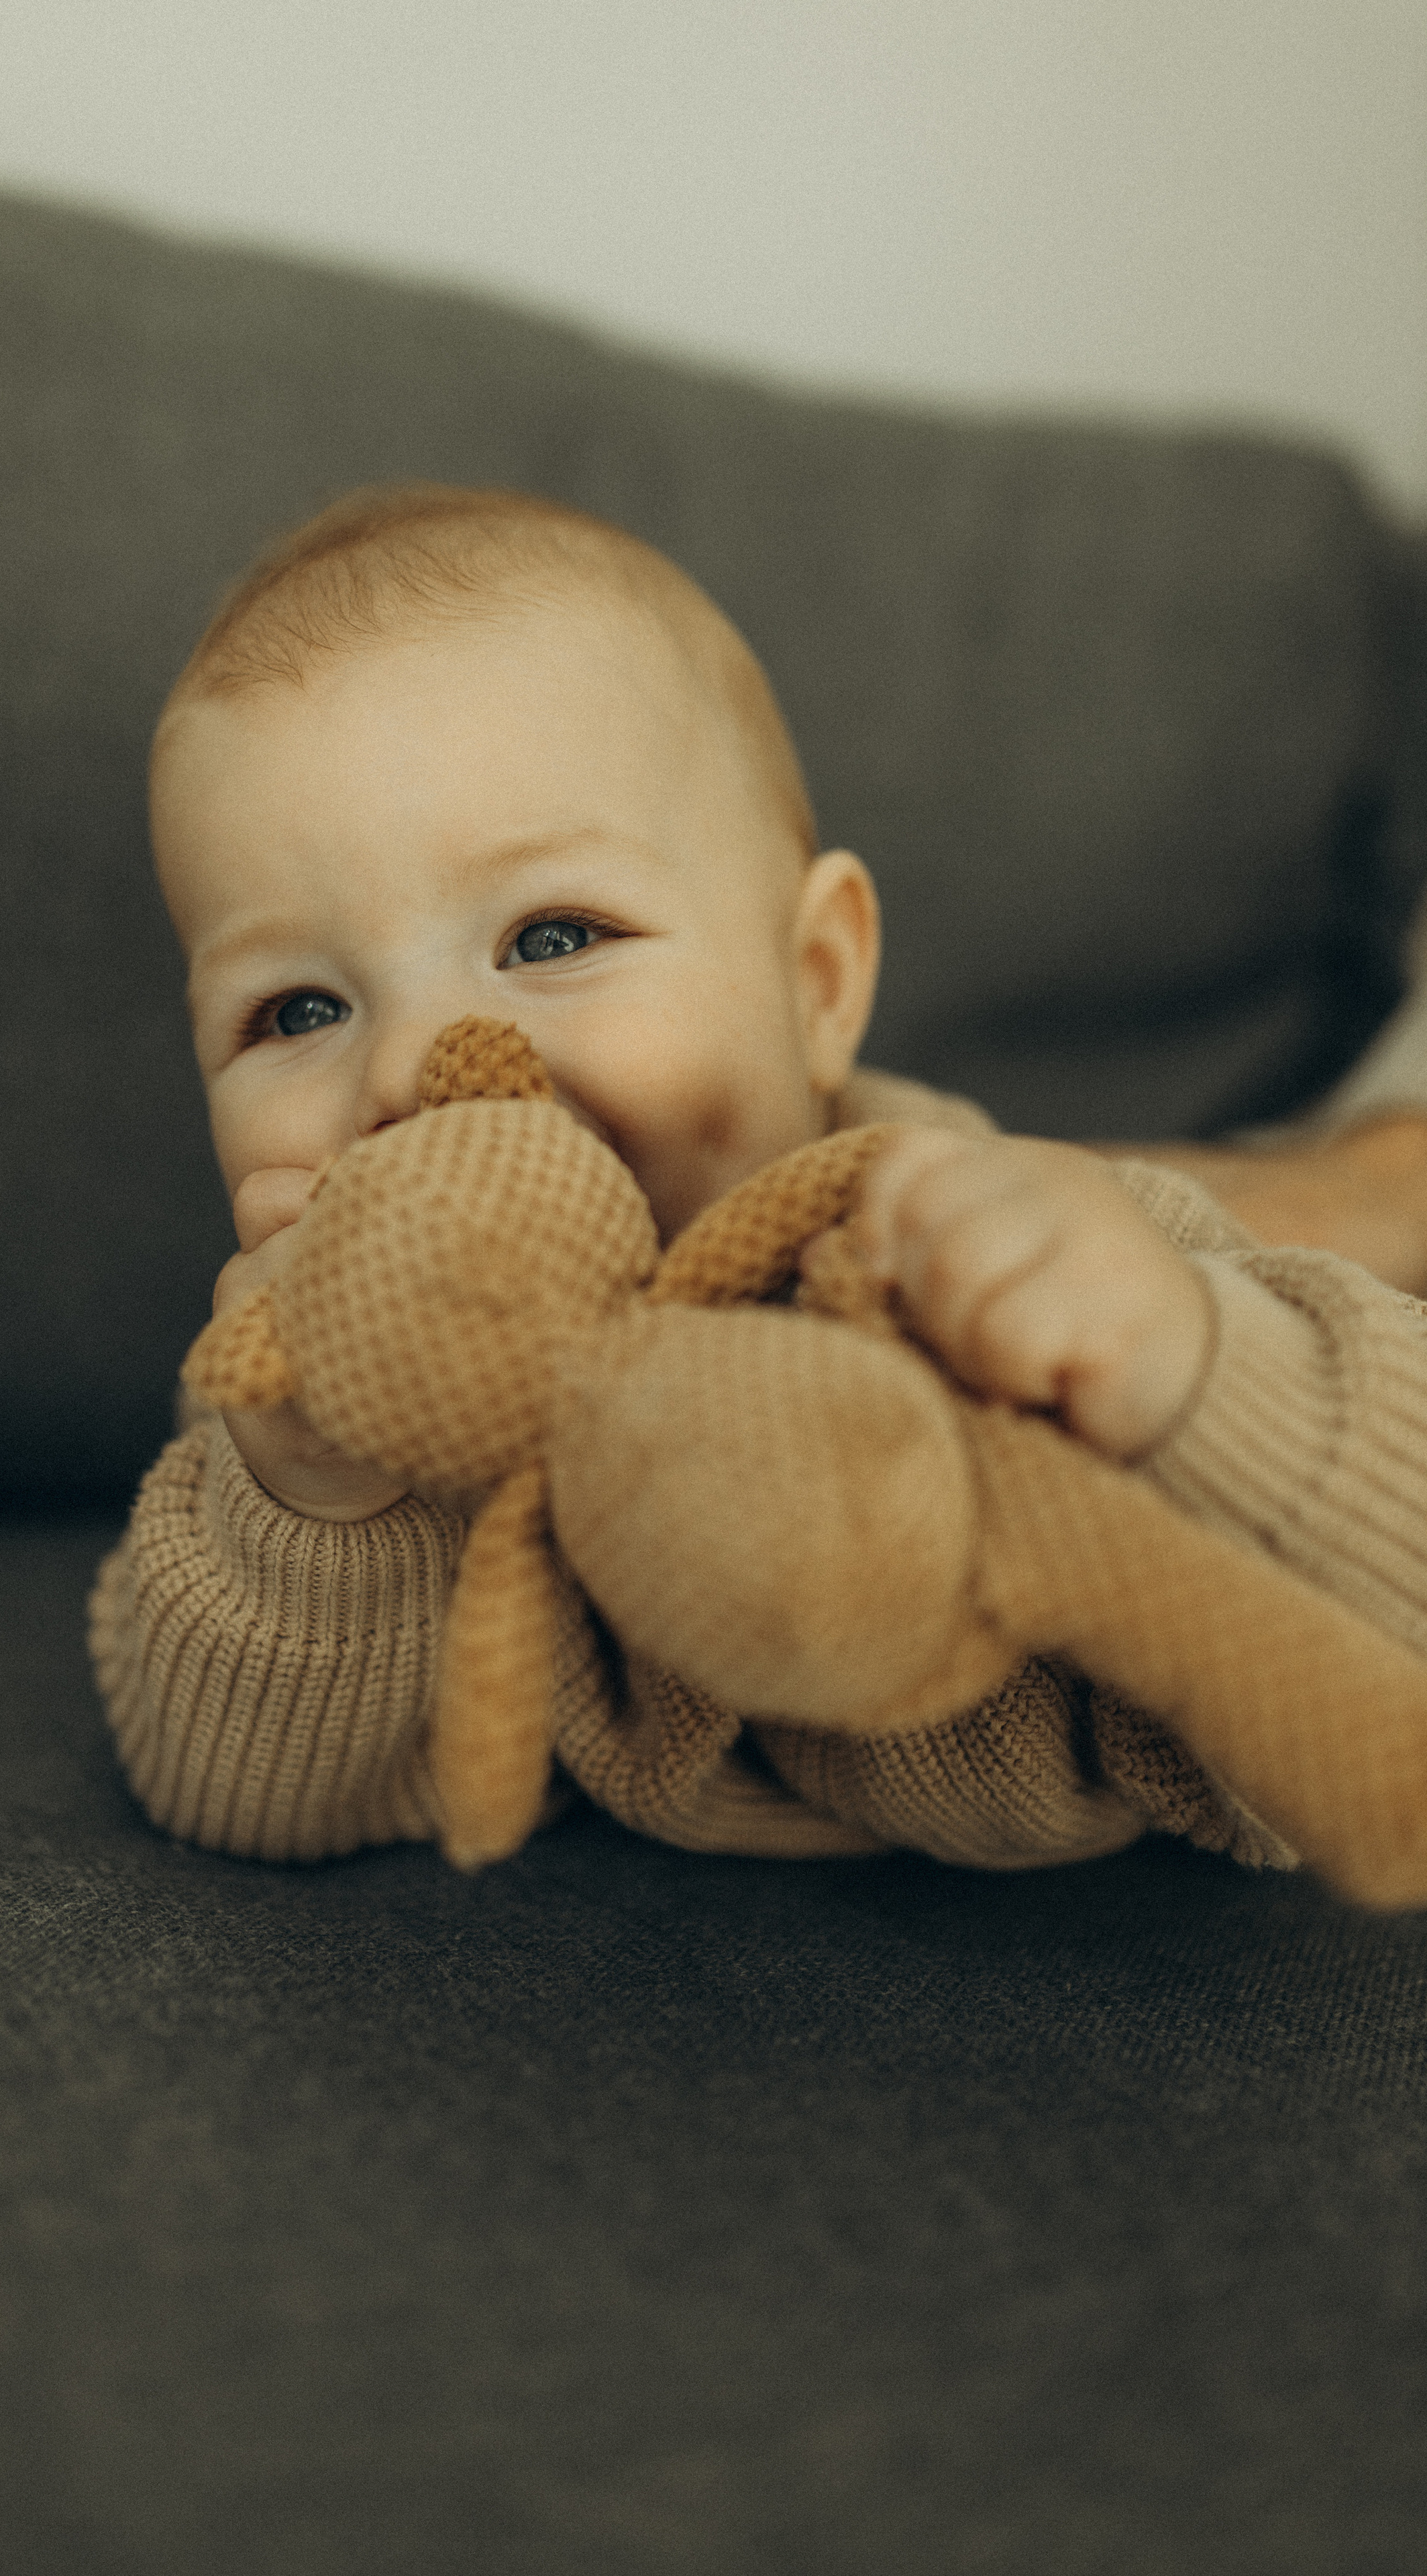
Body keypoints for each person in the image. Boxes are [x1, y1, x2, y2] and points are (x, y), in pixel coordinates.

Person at [89, 482, 1427, 1874]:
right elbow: (238, 1791)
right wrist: (314, 1503)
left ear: (816, 984)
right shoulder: (319, 1395)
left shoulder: (1022, 1266)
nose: (414, 1070)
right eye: (296, 1012)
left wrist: (1191, 1370)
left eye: (551, 937)